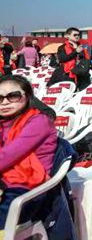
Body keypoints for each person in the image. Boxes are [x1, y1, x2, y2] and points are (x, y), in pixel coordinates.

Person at [0, 75, 58, 230]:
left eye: (13, 96)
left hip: (27, 189)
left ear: (27, 96)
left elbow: (6, 156)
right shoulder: (4, 123)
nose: (4, 102)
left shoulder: (38, 121)